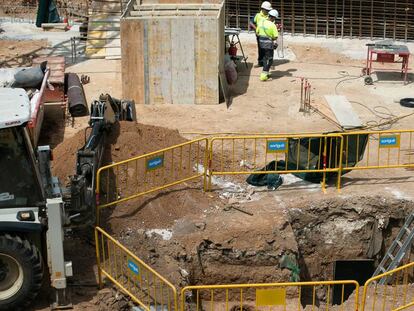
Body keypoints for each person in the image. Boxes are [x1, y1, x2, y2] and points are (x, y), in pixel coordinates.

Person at [256, 9, 279, 81]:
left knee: (264, 58)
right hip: (268, 45)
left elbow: (257, 33)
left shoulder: (261, 22)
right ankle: (263, 76)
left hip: (261, 44)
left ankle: (266, 72)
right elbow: (275, 37)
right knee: (270, 60)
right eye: (275, 18)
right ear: (273, 17)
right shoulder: (272, 25)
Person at [249, 1, 272, 67]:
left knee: (267, 49)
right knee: (261, 48)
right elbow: (251, 22)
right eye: (267, 10)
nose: (268, 11)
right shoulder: (258, 15)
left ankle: (266, 62)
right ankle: (260, 62)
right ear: (262, 9)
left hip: (267, 35)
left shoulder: (269, 16)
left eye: (268, 10)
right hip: (259, 35)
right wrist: (256, 29)